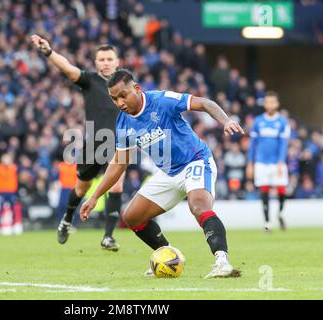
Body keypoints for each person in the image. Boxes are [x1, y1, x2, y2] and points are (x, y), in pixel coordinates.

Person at [80, 69, 243, 278]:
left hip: (195, 161)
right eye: (114, 99)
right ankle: (169, 256)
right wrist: (94, 196)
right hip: (168, 172)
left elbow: (203, 103)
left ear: (137, 89)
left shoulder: (161, 100)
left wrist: (226, 120)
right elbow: (119, 164)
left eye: (123, 95)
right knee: (131, 217)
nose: (119, 103)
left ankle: (222, 262)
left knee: (199, 206)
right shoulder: (123, 122)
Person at [31, 35, 125, 251]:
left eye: (109, 59)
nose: (106, 62)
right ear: (96, 63)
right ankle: (67, 219)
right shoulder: (90, 80)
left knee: (117, 185)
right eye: (101, 59)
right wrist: (48, 52)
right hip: (94, 143)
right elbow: (68, 68)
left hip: (119, 143)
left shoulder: (127, 85)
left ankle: (108, 237)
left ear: (117, 61)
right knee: (82, 188)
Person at [246, 91, 290, 232]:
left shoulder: (283, 122)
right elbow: (252, 144)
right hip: (261, 162)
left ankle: (280, 213)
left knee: (281, 189)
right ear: (264, 104)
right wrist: (250, 163)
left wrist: (280, 162)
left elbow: (284, 144)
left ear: (277, 104)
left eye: (272, 102)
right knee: (264, 190)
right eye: (267, 102)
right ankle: (267, 222)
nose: (270, 104)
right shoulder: (258, 121)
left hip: (277, 162)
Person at [0, 153, 19, 233]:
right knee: (1, 208)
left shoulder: (14, 167)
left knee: (13, 209)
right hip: (2, 191)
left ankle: (14, 225)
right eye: (5, 159)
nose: (6, 160)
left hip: (11, 191)